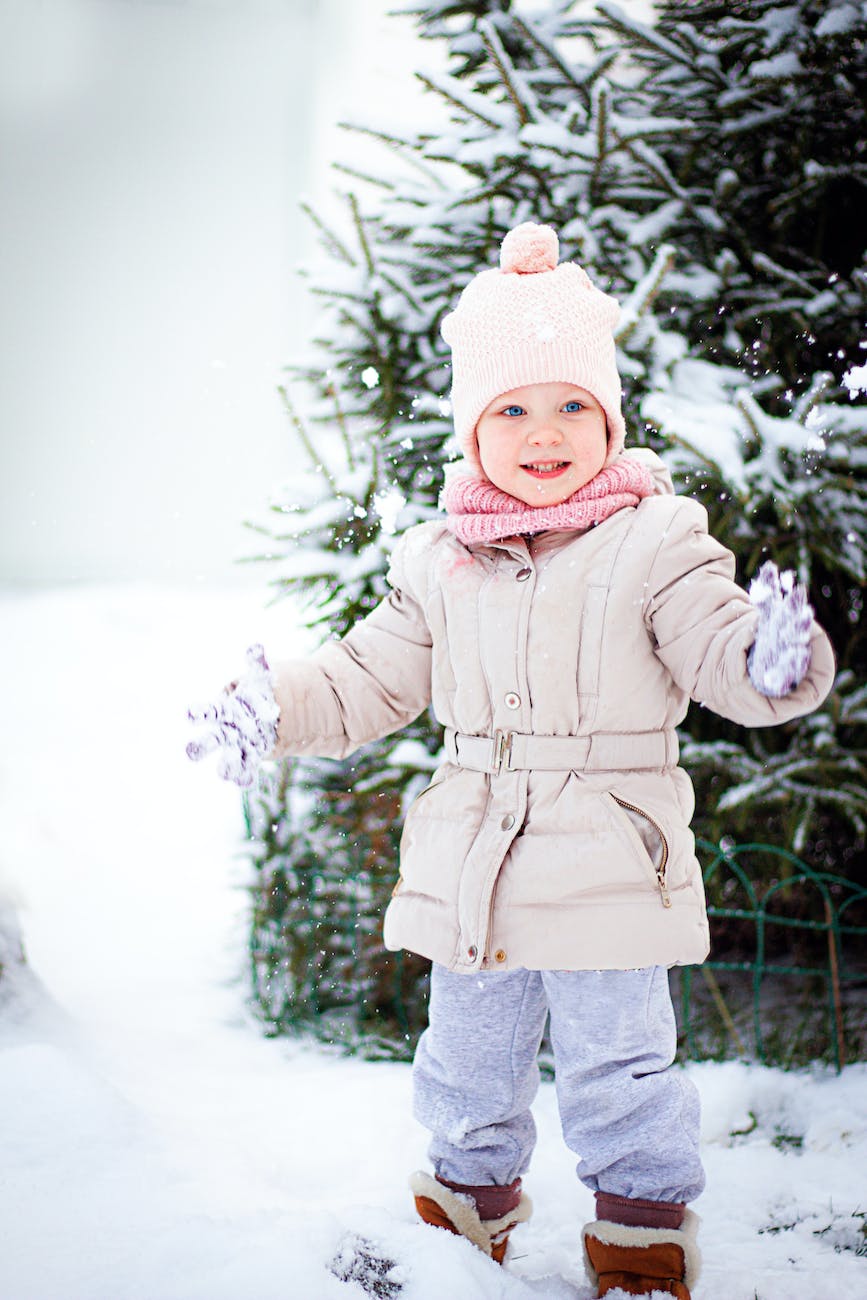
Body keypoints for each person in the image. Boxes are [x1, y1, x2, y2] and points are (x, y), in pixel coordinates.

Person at [188, 223, 835, 1298]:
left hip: (608, 862)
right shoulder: (439, 560)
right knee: (467, 1060)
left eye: (574, 404)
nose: (547, 432)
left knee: (620, 1065)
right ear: (475, 427)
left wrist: (771, 657)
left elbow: (719, 646)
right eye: (515, 409)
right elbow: (367, 678)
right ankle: (462, 1214)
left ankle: (640, 1235)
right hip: (474, 863)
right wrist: (275, 706)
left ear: (611, 417)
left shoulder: (656, 538)